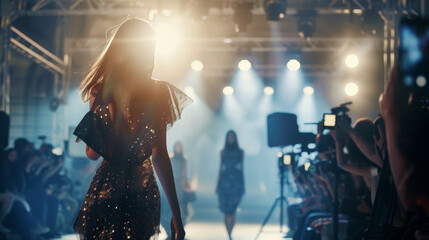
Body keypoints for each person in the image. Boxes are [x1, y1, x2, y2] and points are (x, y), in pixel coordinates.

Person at [72, 18, 192, 240]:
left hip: (107, 187)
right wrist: (176, 214)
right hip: (141, 190)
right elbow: (160, 156)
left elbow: (92, 154)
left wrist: (102, 112)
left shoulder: (101, 91)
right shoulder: (157, 92)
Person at [216, 130, 245, 240]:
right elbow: (220, 168)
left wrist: (242, 185)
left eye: (233, 137)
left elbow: (242, 169)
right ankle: (228, 234)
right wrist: (218, 184)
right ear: (227, 138)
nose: (231, 139)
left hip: (236, 184)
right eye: (229, 137)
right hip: (224, 184)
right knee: (226, 211)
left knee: (232, 211)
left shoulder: (240, 152)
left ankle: (230, 234)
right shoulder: (223, 152)